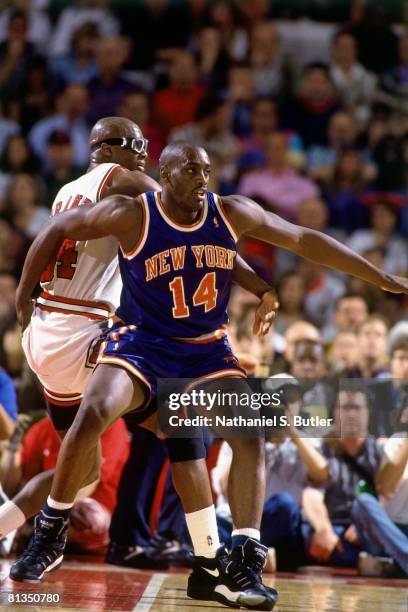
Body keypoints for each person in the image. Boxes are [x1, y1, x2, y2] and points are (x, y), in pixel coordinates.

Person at [12, 142, 408, 605]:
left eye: (207, 169)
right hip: (140, 342)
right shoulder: (132, 214)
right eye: (191, 170)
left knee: (249, 433)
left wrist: (377, 277)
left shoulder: (230, 212)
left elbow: (302, 239)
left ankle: (239, 560)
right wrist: (24, 295)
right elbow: (58, 226)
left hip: (204, 352)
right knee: (96, 409)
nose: (203, 178)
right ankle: (51, 531)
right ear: (166, 173)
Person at [0, 122, 276, 571]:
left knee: (83, 468)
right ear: (105, 149)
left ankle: (14, 527)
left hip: (47, 333)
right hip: (84, 328)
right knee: (182, 426)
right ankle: (201, 556)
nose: (144, 154)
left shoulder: (67, 189)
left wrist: (21, 296)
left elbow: (48, 237)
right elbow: (199, 228)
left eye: (146, 146)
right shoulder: (122, 180)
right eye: (135, 145)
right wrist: (258, 283)